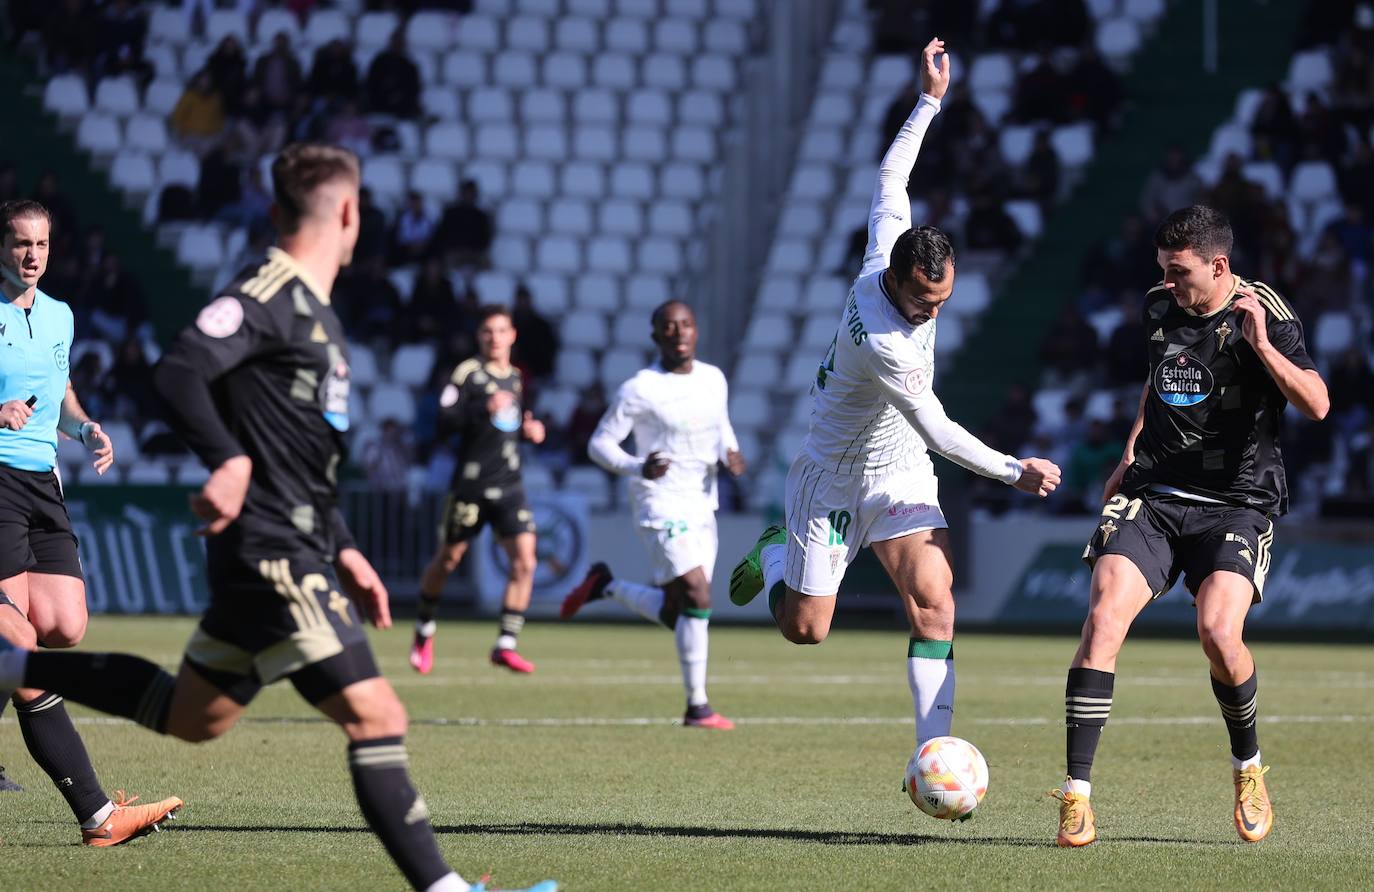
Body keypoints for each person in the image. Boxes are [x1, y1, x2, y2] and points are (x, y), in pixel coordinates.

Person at [0, 149, 555, 892]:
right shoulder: (270, 293)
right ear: (349, 213)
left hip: (288, 545)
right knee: (377, 714)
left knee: (190, 714)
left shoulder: (317, 312)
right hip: (273, 550)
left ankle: (13, 666)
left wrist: (346, 548)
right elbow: (179, 370)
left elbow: (304, 458)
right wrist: (228, 460)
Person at [727, 39, 1060, 794]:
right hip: (834, 476)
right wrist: (1014, 470)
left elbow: (890, 177)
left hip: (898, 468)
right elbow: (938, 429)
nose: (931, 313)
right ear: (898, 280)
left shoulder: (889, 248)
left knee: (935, 603)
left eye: (941, 302)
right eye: (922, 301)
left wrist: (929, 101)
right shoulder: (884, 341)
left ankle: (931, 758)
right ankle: (776, 555)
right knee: (806, 629)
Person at [1051, 205, 1330, 847]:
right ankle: (1076, 795)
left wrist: (1262, 347)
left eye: (1179, 272)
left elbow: (1317, 404)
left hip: (1236, 502)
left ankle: (1248, 767)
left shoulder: (1266, 313)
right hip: (1154, 494)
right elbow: (1159, 382)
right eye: (1163, 270)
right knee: (1103, 619)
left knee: (1218, 633)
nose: (1168, 283)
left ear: (1219, 265)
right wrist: (1129, 451)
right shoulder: (1159, 306)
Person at [0, 198, 182, 843]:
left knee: (64, 625)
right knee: (18, 647)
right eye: (21, 243)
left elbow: (61, 389)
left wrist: (81, 428)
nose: (32, 255)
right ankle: (99, 816)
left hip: (41, 485)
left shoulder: (60, 315)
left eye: (42, 244)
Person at [560, 301, 745, 730]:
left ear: (696, 330)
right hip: (659, 500)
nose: (678, 332)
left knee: (681, 610)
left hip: (702, 502)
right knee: (697, 594)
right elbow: (599, 444)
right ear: (655, 335)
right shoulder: (640, 388)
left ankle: (606, 586)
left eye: (686, 324)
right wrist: (637, 466)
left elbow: (721, 427)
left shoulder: (713, 379)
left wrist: (730, 453)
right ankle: (698, 708)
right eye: (669, 326)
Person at [410, 306, 547, 676]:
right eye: (488, 331)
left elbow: (508, 426)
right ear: (479, 336)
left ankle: (506, 644)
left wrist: (529, 432)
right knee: (448, 560)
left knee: (525, 561)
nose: (494, 338)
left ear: (512, 335)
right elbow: (443, 422)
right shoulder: (467, 374)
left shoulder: (516, 378)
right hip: (471, 484)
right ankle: (424, 628)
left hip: (510, 483)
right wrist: (481, 409)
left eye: (501, 331)